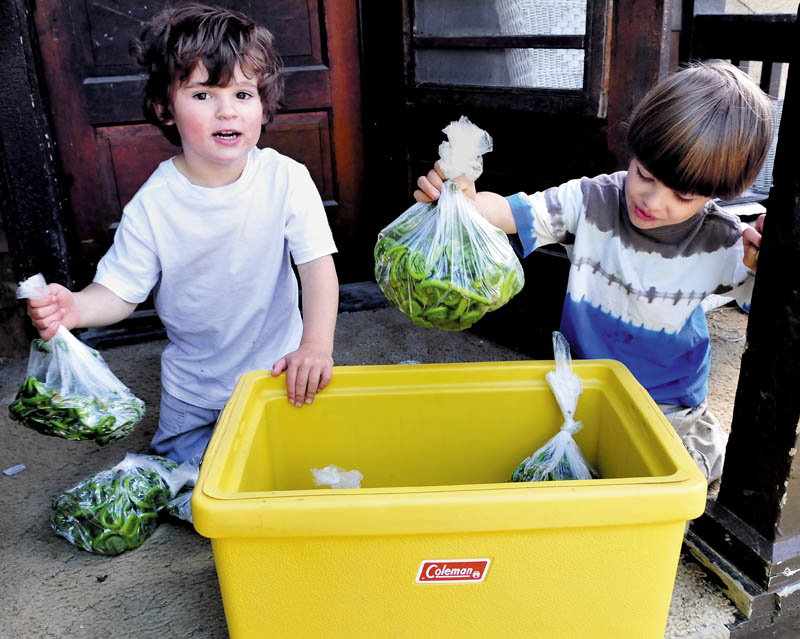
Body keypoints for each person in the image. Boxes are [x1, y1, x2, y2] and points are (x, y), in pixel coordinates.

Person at [414, 61, 774, 483]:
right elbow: (509, 213)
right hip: (581, 386)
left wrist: (768, 259)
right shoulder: (592, 200)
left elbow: (767, 300)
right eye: (645, 174)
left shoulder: (722, 241)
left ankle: (702, 444)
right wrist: (466, 200)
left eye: (681, 195)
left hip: (665, 402)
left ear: (720, 193)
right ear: (634, 150)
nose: (654, 202)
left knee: (660, 479)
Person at [25, 3, 339, 464]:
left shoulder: (285, 178)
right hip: (194, 389)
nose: (226, 111)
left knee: (297, 471)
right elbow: (119, 290)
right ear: (164, 109)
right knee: (184, 486)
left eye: (243, 95)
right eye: (203, 95)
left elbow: (316, 267)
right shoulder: (155, 203)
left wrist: (315, 346)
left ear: (264, 106)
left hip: (280, 373)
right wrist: (77, 307)